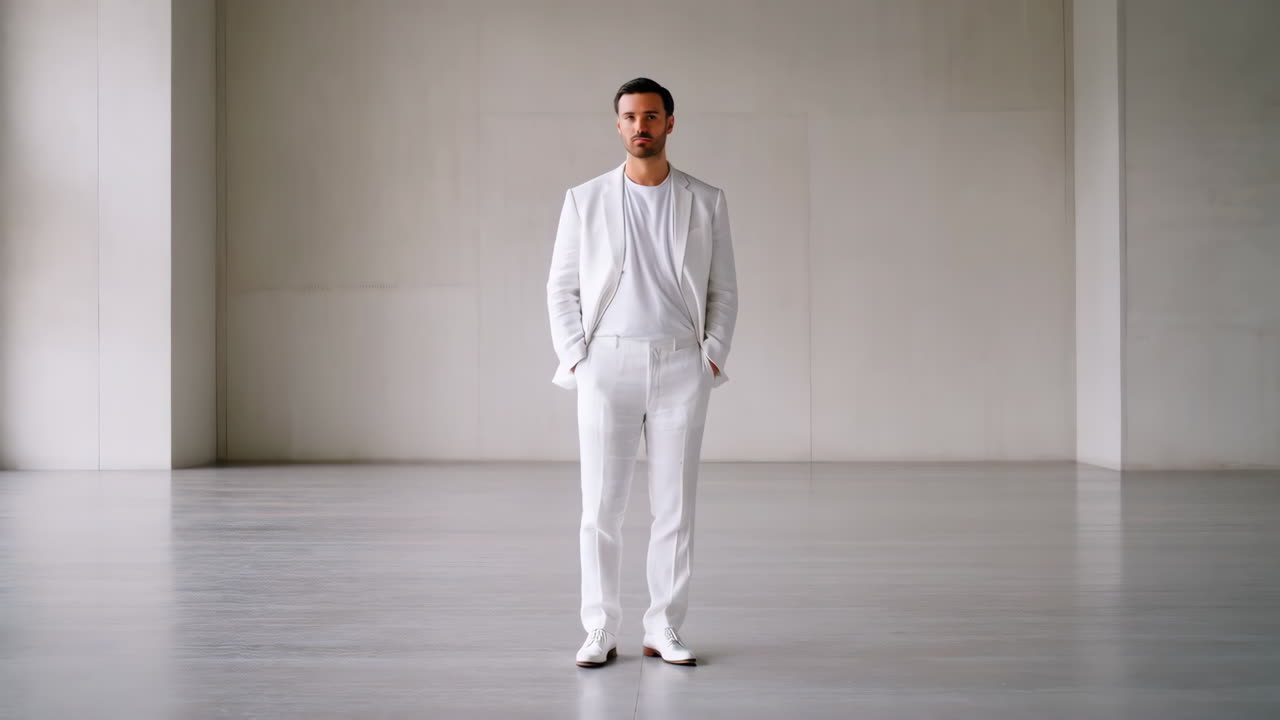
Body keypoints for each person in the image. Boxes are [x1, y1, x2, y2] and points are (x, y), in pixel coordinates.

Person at [546, 77, 739, 668]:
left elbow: (723, 289)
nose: (640, 126)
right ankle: (599, 628)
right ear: (619, 124)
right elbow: (562, 286)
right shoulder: (585, 199)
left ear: (670, 123)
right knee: (600, 508)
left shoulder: (705, 200)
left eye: (651, 116)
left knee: (674, 506)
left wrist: (711, 355)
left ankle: (664, 628)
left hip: (683, 362)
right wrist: (578, 355)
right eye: (629, 117)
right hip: (609, 362)